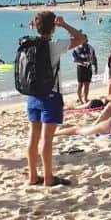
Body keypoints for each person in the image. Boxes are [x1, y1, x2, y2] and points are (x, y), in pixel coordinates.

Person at [26, 12, 84, 186]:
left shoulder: (27, 46)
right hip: (50, 96)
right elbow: (81, 38)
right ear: (52, 28)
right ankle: (49, 178)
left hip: (32, 95)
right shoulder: (54, 46)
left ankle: (32, 176)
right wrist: (64, 25)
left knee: (33, 137)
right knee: (47, 139)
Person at [71, 33, 98, 105]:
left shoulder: (91, 48)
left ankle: (85, 98)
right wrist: (83, 62)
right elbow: (74, 60)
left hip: (88, 67)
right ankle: (80, 99)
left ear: (87, 40)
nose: (84, 41)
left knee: (87, 84)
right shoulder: (76, 49)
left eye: (85, 39)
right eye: (82, 39)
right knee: (80, 84)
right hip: (80, 67)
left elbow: (94, 58)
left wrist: (95, 67)